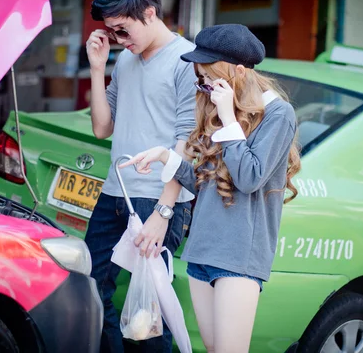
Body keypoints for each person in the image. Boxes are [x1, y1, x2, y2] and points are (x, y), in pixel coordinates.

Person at [120, 24, 301, 353]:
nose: (202, 85)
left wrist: (229, 118)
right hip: (203, 249)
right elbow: (206, 179)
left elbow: (249, 177)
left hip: (239, 256)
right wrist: (165, 157)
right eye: (200, 78)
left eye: (208, 77)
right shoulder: (216, 108)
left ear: (239, 72)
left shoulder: (278, 114)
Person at [84, 0, 197, 353]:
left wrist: (163, 213)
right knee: (91, 287)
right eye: (111, 30)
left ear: (149, 13)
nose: (117, 39)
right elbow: (102, 127)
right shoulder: (125, 61)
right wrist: (98, 68)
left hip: (157, 201)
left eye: (122, 29)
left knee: (149, 315)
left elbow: (188, 145)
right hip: (116, 193)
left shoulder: (187, 60)